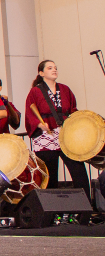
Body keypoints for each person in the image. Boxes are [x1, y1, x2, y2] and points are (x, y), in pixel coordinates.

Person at [24, 60, 90, 199]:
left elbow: (73, 110)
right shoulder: (35, 92)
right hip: (46, 137)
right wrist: (39, 124)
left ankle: (85, 207)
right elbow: (30, 114)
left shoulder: (65, 89)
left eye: (55, 68)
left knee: (79, 171)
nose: (54, 70)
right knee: (50, 175)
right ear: (41, 73)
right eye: (50, 68)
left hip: (65, 134)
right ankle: (53, 211)